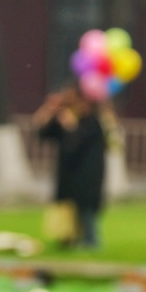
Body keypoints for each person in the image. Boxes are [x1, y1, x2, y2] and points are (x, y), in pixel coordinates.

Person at [34, 85, 108, 249]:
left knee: (85, 207)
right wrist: (49, 108)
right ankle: (69, 239)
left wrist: (71, 126)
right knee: (67, 206)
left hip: (87, 173)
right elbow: (42, 132)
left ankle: (91, 240)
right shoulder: (64, 118)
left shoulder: (92, 122)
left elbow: (80, 142)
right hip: (68, 174)